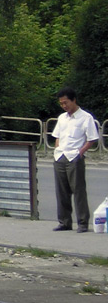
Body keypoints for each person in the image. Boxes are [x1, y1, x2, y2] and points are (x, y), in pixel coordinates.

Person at [51, 87, 100, 233]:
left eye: (66, 103)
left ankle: (83, 222)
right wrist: (57, 149)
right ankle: (64, 222)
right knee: (61, 191)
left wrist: (80, 152)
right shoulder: (61, 118)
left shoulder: (86, 117)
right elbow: (57, 135)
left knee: (78, 190)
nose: (64, 106)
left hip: (74, 157)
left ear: (74, 100)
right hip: (60, 156)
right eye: (61, 104)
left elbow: (92, 138)